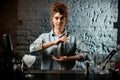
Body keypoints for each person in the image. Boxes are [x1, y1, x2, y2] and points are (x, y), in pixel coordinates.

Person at [30, 2, 90, 70]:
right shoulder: (44, 37)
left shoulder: (73, 38)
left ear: (65, 19)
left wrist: (69, 58)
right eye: (56, 18)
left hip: (68, 76)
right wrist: (53, 43)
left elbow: (86, 54)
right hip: (48, 76)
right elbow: (32, 48)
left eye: (61, 18)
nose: (59, 21)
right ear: (52, 19)